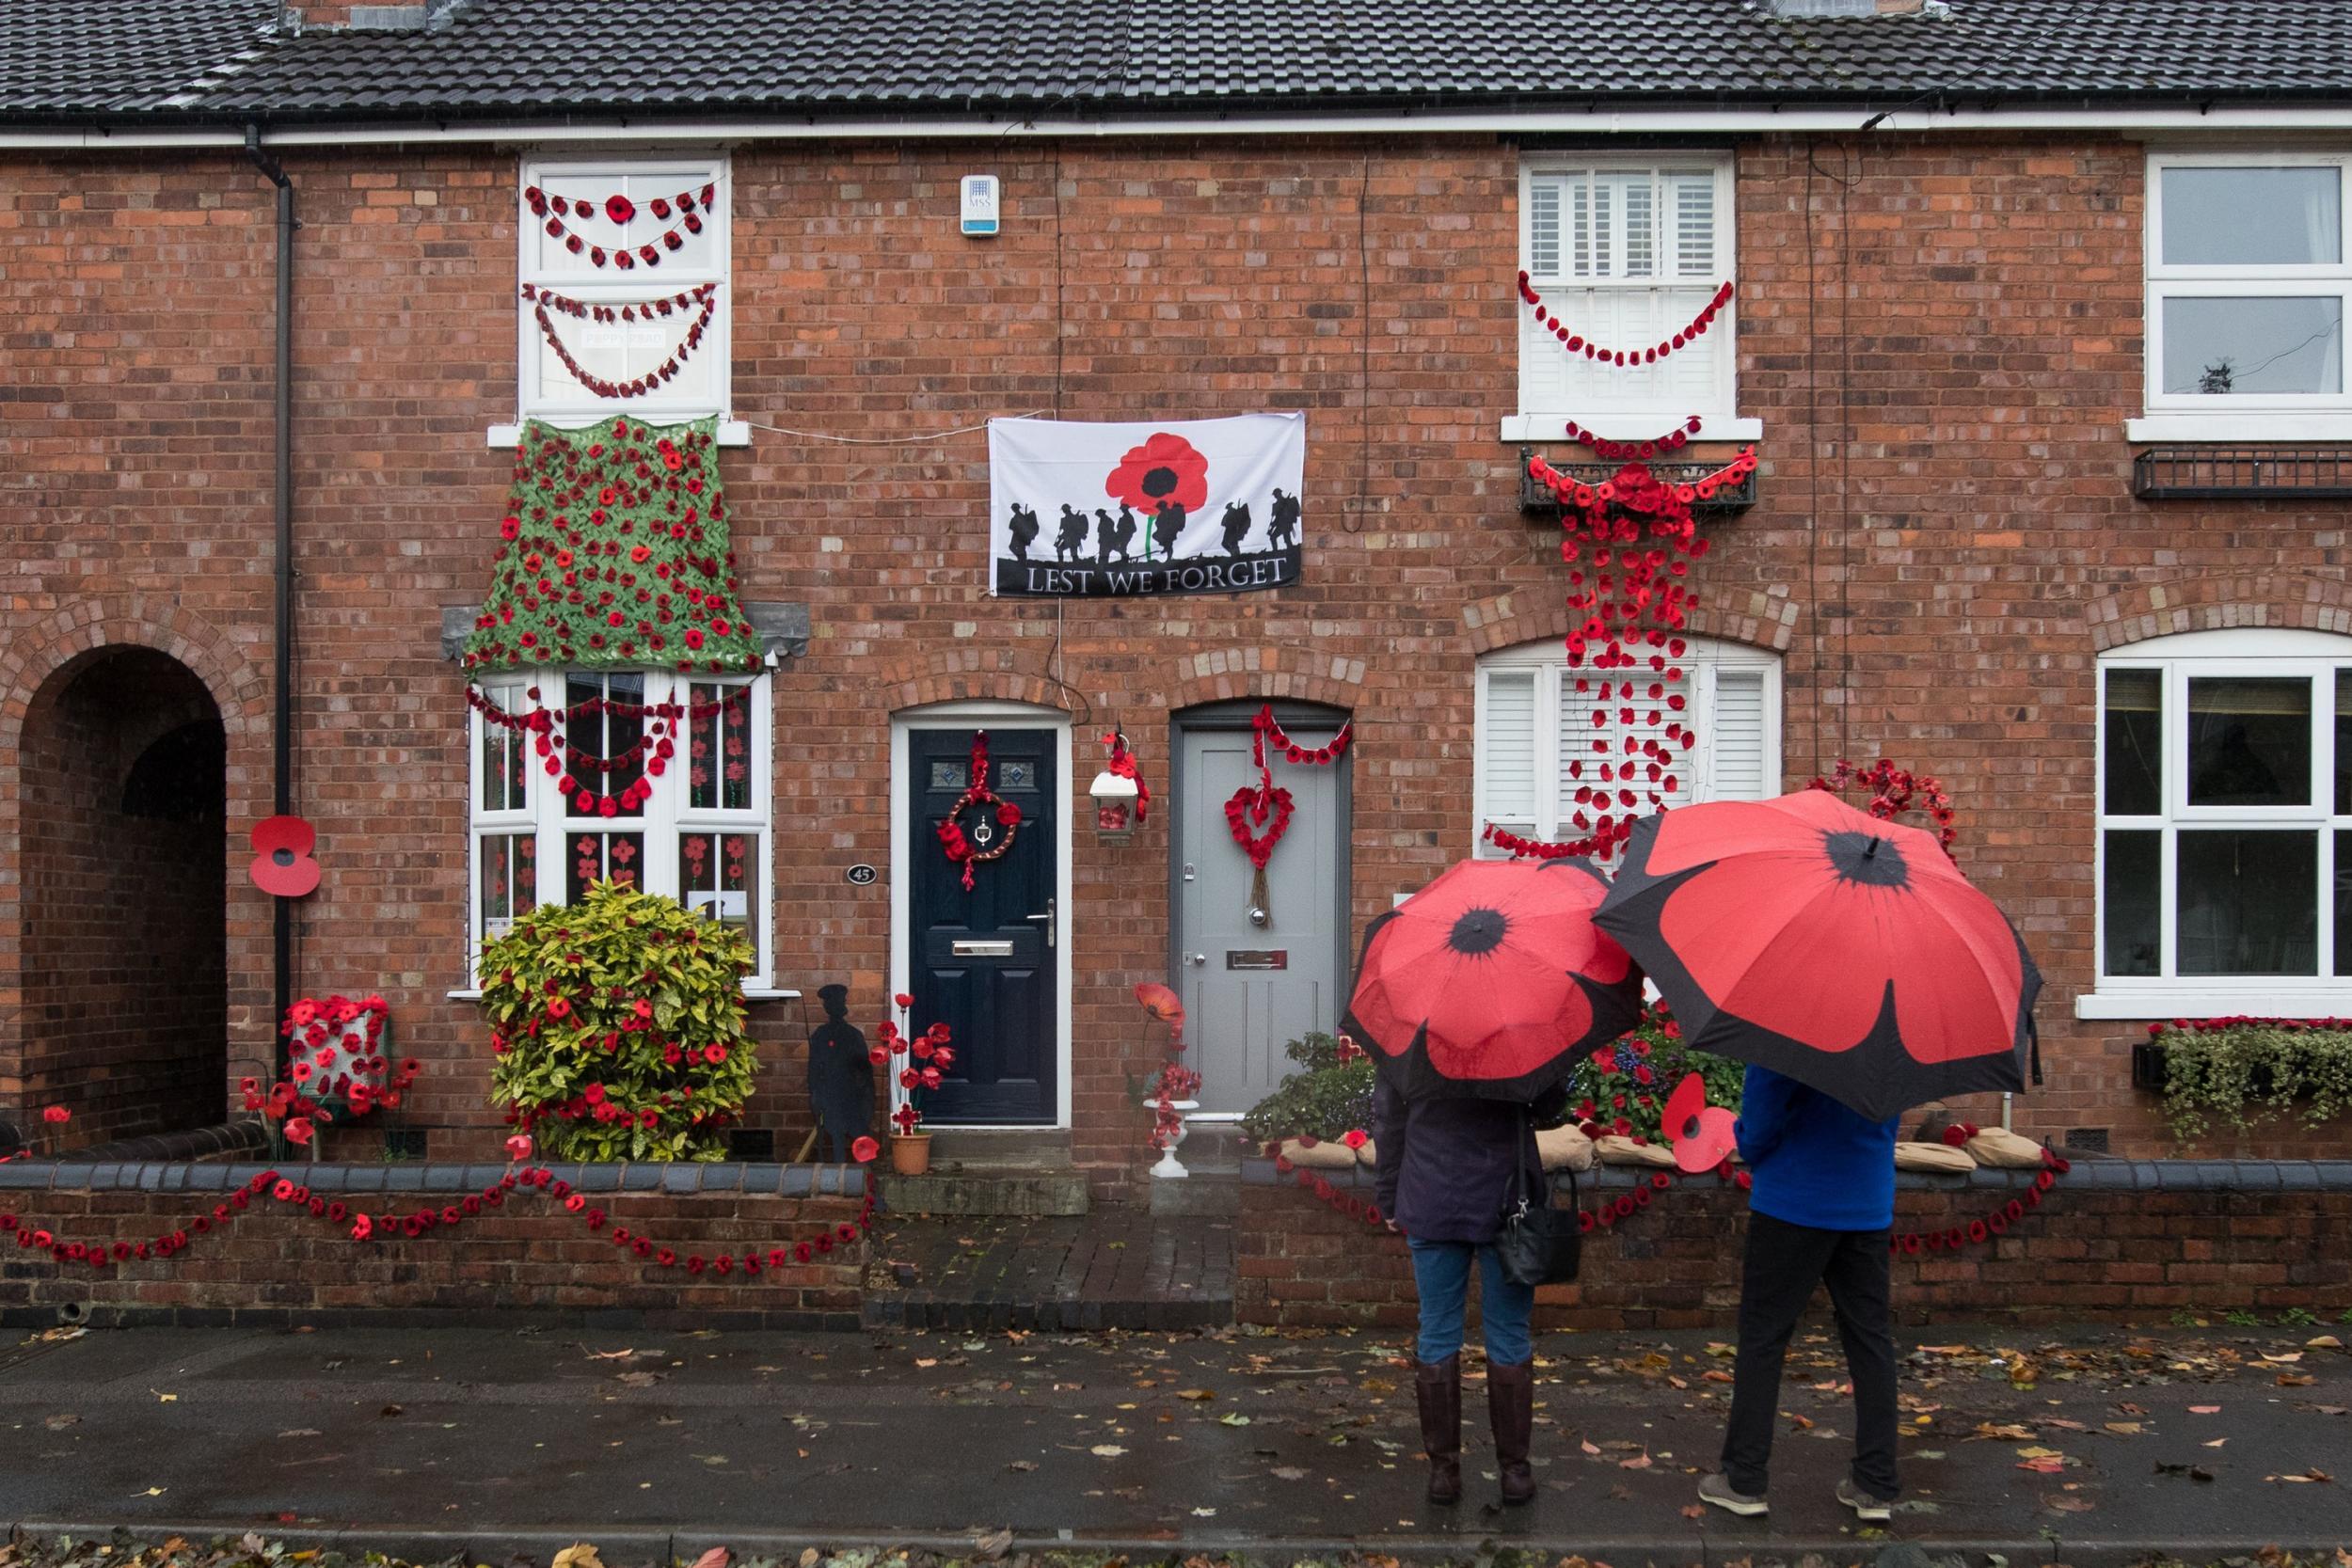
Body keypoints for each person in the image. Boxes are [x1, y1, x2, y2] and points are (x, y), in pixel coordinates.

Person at [1699, 1063, 1902, 1525]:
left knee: (1763, 1340)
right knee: (1870, 1341)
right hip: (1866, 1204)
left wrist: (1738, 1133)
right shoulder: (1890, 1033)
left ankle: (1744, 1479)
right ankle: (1875, 1483)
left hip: (1792, 1204)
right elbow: (1887, 1119)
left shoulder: (1784, 1033)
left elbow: (1758, 1131)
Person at [1374, 1075, 1564, 1508]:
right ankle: (1514, 1474)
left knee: (1437, 1331)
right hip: (1508, 1199)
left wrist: (1388, 1195)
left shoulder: (1411, 1026)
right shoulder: (1517, 1025)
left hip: (1431, 1192)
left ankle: (1443, 1473)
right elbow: (1549, 1105)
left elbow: (1389, 1120)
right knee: (1509, 1333)